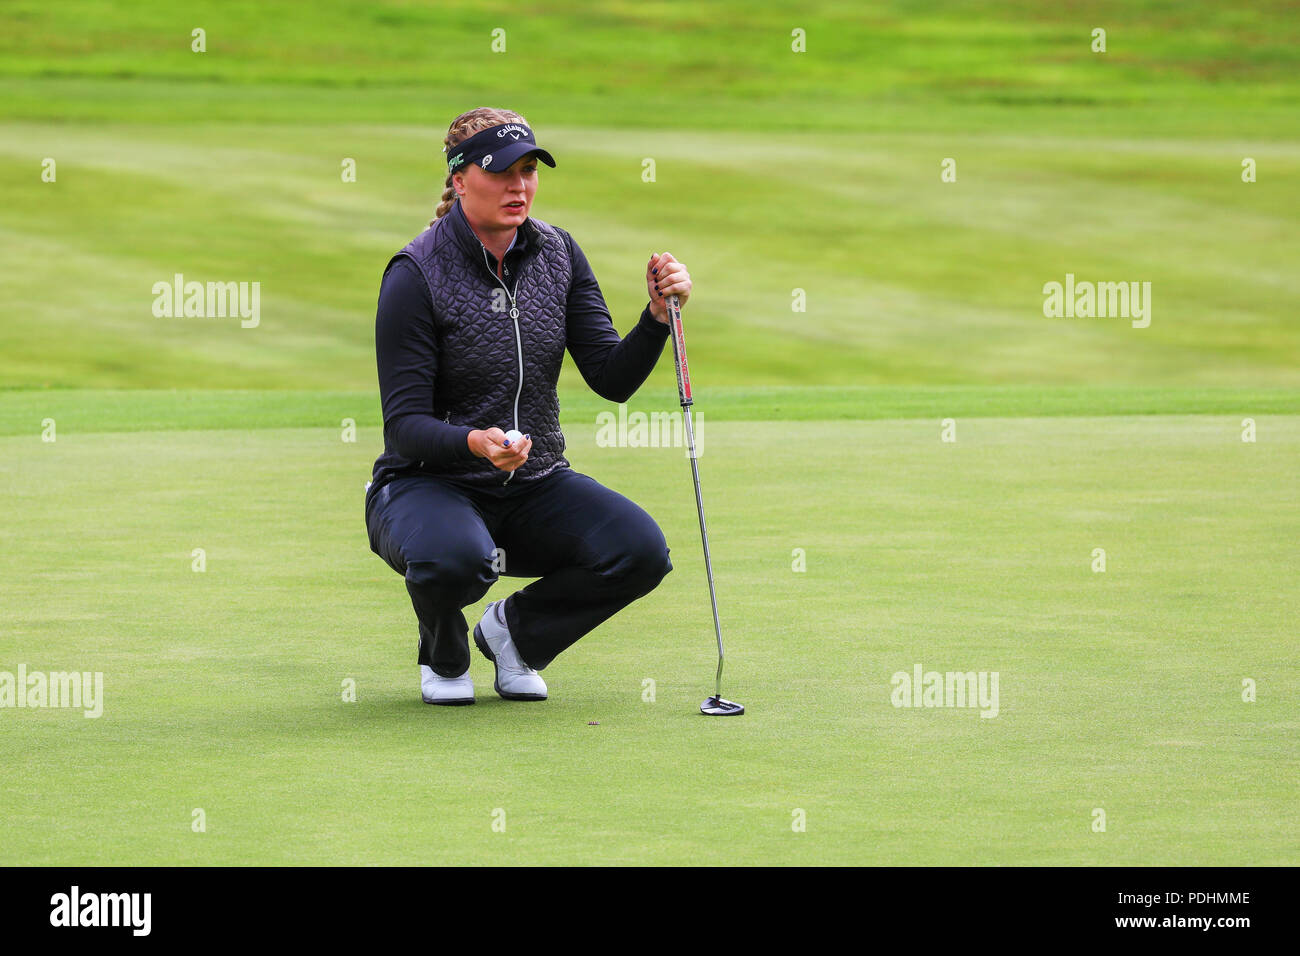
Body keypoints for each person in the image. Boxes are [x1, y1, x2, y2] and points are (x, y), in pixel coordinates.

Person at [363, 107, 693, 706]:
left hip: (534, 483)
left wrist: (652, 319)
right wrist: (475, 442)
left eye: (528, 171)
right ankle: (445, 653)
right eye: (501, 172)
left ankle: (515, 635)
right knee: (454, 559)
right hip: (426, 486)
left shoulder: (559, 254)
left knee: (639, 550)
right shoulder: (415, 273)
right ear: (460, 179)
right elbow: (404, 427)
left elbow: (611, 380)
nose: (519, 187)